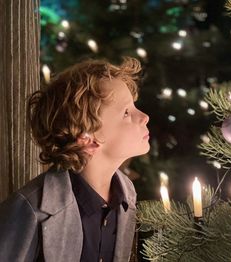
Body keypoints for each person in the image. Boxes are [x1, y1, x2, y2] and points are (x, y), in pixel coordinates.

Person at [0, 57, 150, 262]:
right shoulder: (29, 209)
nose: (144, 117)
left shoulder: (126, 196)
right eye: (126, 112)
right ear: (88, 139)